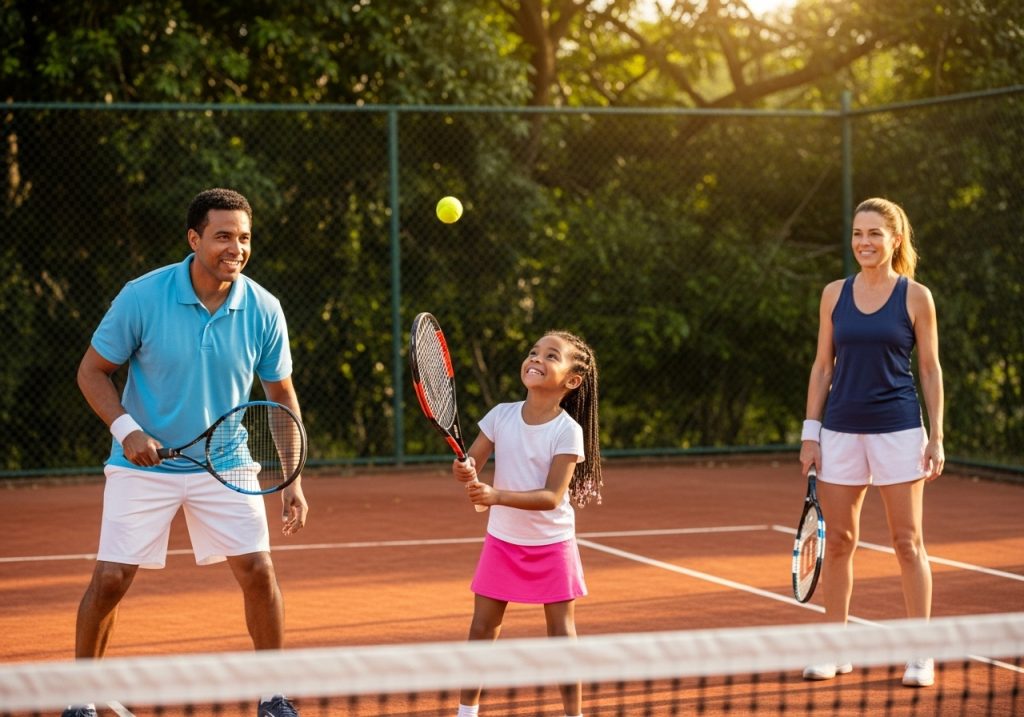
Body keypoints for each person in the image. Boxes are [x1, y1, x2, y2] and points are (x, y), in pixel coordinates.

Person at [65, 188, 309, 717]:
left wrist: (292, 477)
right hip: (141, 466)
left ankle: (273, 695)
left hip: (226, 463)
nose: (236, 247)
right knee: (109, 580)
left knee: (258, 571)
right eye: (223, 236)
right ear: (194, 238)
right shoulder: (142, 296)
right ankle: (79, 698)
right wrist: (127, 428)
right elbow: (92, 372)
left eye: (243, 237)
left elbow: (281, 395)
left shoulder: (264, 308)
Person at [799, 197, 944, 688]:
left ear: (895, 239)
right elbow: (823, 366)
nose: (864, 242)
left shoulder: (916, 297)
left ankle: (920, 654)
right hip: (840, 430)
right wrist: (810, 433)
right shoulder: (833, 294)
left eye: (875, 234)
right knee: (838, 542)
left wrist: (937, 436)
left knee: (908, 543)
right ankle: (835, 649)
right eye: (858, 233)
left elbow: (929, 368)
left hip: (900, 430)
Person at [451, 330, 603, 717]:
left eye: (551, 355)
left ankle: (574, 715)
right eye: (534, 351)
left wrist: (496, 496)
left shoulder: (567, 431)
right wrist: (464, 469)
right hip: (503, 541)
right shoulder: (501, 415)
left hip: (553, 544)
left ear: (572, 380)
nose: (536, 358)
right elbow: (472, 464)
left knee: (561, 636)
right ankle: (466, 712)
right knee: (482, 627)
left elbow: (552, 497)